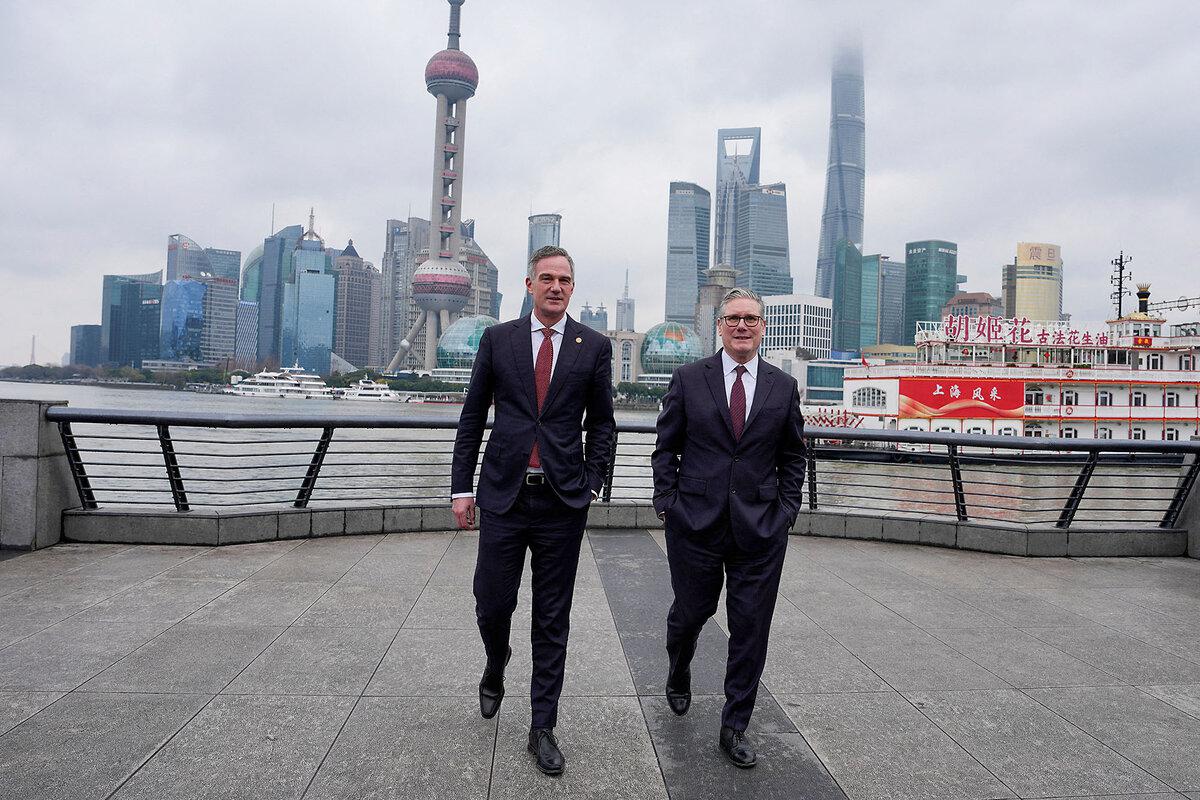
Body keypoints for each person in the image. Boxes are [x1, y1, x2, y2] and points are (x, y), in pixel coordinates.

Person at [451, 244, 616, 776]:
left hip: (562, 501)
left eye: (564, 280)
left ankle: (542, 726)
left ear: (572, 288)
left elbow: (604, 423)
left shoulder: (593, 347)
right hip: (504, 496)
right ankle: (496, 663)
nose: (555, 287)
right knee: (491, 602)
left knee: (552, 617)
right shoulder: (498, 340)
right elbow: (473, 416)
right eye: (546, 279)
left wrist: (592, 482)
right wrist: (461, 489)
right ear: (529, 285)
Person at [651, 287, 806, 769]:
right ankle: (679, 668)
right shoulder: (688, 378)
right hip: (694, 523)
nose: (742, 326)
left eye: (751, 319)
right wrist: (668, 504)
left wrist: (785, 513)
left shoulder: (783, 388)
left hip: (760, 529)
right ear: (719, 326)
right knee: (690, 614)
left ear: (764, 327)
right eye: (733, 318)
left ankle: (735, 724)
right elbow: (665, 449)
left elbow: (793, 456)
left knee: (750, 629)